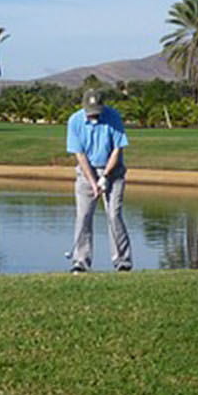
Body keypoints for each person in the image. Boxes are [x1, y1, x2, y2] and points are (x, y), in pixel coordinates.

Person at [65, 89, 131, 272]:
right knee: (83, 216)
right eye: (90, 111)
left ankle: (122, 261)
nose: (93, 114)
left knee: (113, 215)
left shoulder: (113, 117)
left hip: (114, 172)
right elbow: (80, 154)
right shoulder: (75, 121)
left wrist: (105, 177)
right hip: (87, 172)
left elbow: (117, 150)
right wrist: (94, 182)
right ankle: (81, 261)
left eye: (96, 110)